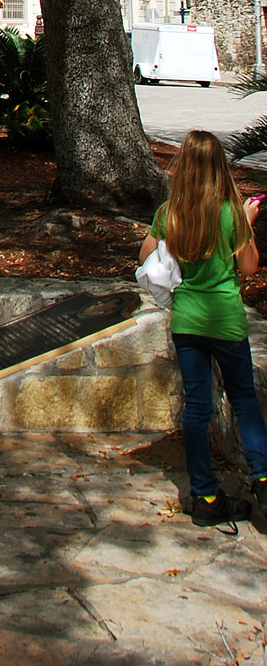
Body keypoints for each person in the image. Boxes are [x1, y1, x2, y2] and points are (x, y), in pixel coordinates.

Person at [140, 129, 267, 530]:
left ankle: (205, 494)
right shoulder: (231, 212)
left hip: (188, 321)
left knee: (197, 406)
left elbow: (146, 257)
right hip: (226, 320)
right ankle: (263, 478)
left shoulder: (169, 213)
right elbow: (248, 267)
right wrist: (246, 223)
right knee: (244, 399)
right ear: (219, 167)